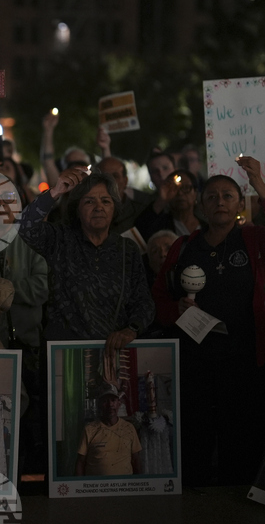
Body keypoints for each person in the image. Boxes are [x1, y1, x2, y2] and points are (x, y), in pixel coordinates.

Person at [152, 173, 265, 487]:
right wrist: (177, 311)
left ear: (241, 203)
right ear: (201, 205)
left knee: (242, 453)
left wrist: (260, 184)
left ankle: (236, 522)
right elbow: (159, 298)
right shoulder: (184, 247)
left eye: (228, 195)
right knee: (195, 449)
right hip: (195, 367)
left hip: (247, 366)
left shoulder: (255, 239)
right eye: (212, 196)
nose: (220, 202)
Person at [19, 167, 153, 353]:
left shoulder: (127, 249)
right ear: (77, 209)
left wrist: (131, 330)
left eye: (106, 201)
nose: (99, 207)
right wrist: (55, 192)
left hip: (113, 353)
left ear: (114, 208)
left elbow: (143, 301)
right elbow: (25, 227)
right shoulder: (60, 239)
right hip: (65, 354)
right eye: (89, 201)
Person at [75, 385, 142, 476]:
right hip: (96, 487)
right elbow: (80, 462)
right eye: (105, 401)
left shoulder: (129, 428)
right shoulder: (89, 429)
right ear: (99, 404)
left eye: (113, 400)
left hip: (124, 487)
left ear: (119, 403)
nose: (110, 405)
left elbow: (136, 460)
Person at [134, 169, 202, 241]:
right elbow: (139, 231)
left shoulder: (207, 225)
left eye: (185, 188)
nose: (180, 193)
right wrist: (162, 200)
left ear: (195, 193)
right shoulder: (160, 225)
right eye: (174, 189)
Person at [39, 111, 91, 188]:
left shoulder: (95, 187)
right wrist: (48, 130)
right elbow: (48, 161)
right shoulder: (61, 188)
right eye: (71, 165)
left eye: (81, 164)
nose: (77, 169)